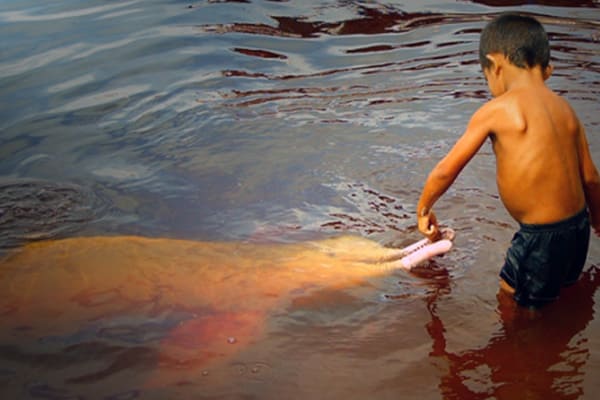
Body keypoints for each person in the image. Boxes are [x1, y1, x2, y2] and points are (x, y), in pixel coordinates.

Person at [416, 14, 600, 307]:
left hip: (540, 237)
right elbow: (590, 177)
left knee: (514, 304)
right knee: (562, 296)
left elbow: (447, 169)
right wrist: (598, 220)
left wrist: (424, 207)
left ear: (496, 64)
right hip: (577, 228)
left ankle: (530, 350)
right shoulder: (565, 109)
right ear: (546, 69)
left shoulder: (497, 110)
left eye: (486, 76)